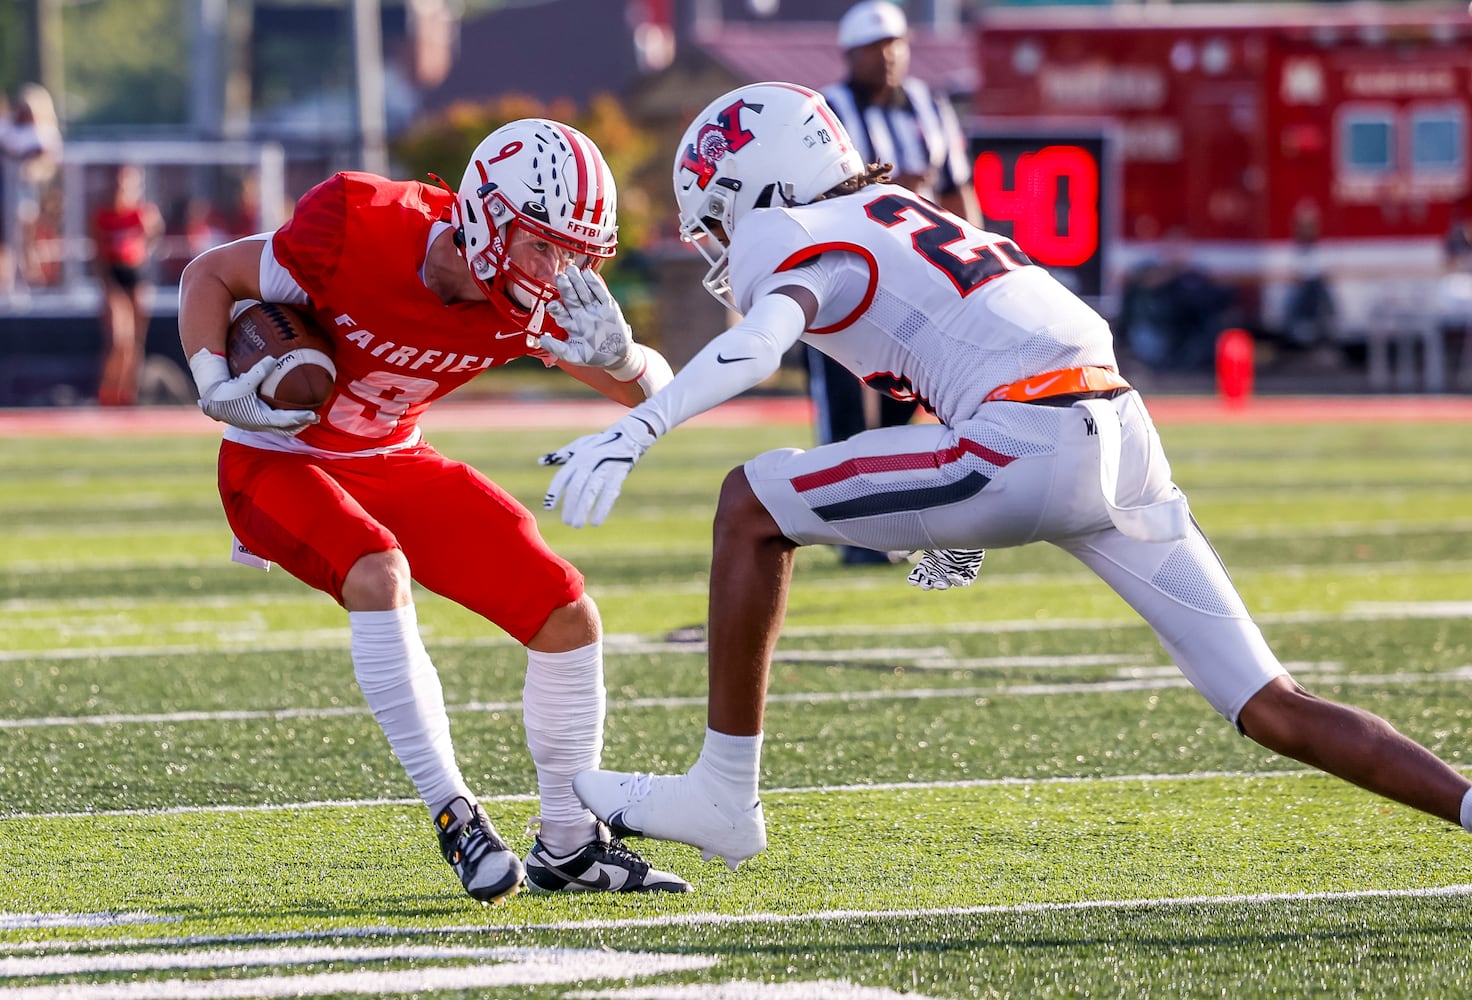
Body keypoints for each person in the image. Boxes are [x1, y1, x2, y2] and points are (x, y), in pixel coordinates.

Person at [541, 82, 1472, 871]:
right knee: (1276, 706)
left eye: (719, 208)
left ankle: (722, 795)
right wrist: (950, 519)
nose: (719, 239)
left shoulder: (796, 225)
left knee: (750, 502)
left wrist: (642, 421)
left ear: (764, 180)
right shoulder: (909, 212)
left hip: (1027, 440)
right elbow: (994, 340)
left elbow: (754, 346)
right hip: (1120, 431)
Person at [178, 119, 690, 900]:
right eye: (546, 247)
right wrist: (217, 382)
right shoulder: (357, 225)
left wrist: (622, 355)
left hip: (391, 456)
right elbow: (211, 275)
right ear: (484, 219)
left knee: (565, 613)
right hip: (278, 457)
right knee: (378, 570)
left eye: (580, 254)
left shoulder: (532, 294)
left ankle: (569, 844)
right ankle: (455, 812)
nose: (564, 272)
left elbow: (658, 392)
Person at [809, 0, 982, 565]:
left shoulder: (930, 107)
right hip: (847, 274)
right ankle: (850, 526)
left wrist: (975, 259)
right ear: (850, 55)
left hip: (916, 279)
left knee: (914, 394)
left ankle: (886, 514)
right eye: (873, 48)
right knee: (843, 404)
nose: (886, 58)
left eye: (894, 45)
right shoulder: (829, 111)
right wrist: (887, 186)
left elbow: (957, 190)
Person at [93, 164, 165, 406]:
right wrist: (106, 285)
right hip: (114, 277)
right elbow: (98, 254)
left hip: (136, 276)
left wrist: (150, 229)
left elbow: (154, 235)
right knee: (118, 339)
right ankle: (107, 391)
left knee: (136, 340)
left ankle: (128, 394)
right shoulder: (102, 214)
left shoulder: (141, 213)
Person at [0, 83, 62, 291]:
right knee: (9, 235)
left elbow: (43, 158)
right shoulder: (10, 127)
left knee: (24, 230)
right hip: (7, 191)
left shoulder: (43, 132)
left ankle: (30, 274)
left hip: (32, 192)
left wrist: (25, 164)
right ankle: (8, 279)